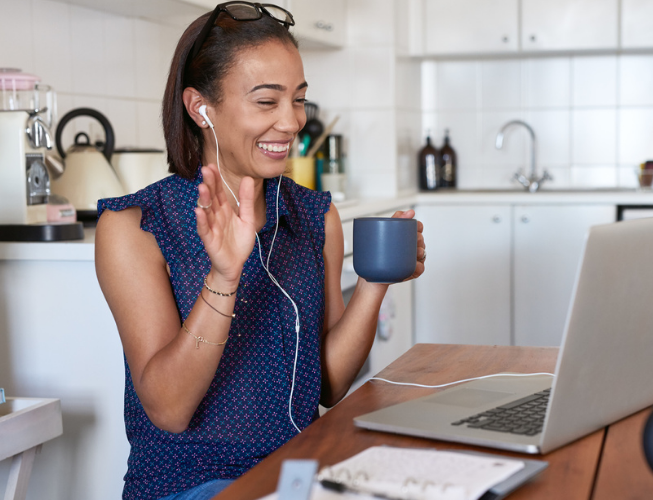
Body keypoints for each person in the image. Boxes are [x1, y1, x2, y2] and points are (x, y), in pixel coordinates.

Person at [94, 4, 426, 500]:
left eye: (298, 100)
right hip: (192, 485)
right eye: (267, 102)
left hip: (297, 479)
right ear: (200, 107)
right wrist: (224, 276)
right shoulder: (136, 227)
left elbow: (329, 387)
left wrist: (375, 281)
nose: (292, 122)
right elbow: (168, 409)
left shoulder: (315, 216)